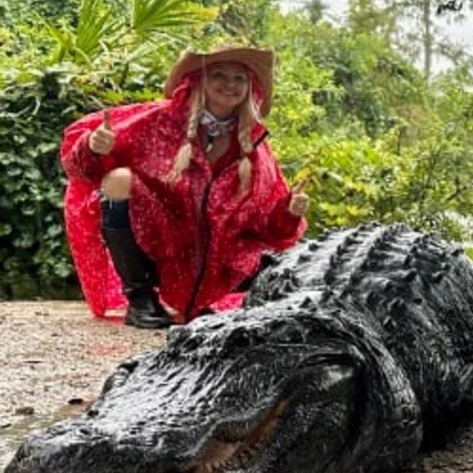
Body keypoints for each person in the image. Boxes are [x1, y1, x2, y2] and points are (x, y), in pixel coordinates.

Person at [60, 45, 308, 328]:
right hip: (157, 240)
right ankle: (140, 299)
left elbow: (270, 229)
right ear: (199, 80)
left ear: (249, 88)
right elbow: (81, 170)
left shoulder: (255, 148)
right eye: (219, 74)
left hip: (215, 260)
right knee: (117, 180)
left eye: (239, 78)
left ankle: (203, 301)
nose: (229, 84)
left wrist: (290, 213)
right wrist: (93, 147)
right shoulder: (156, 119)